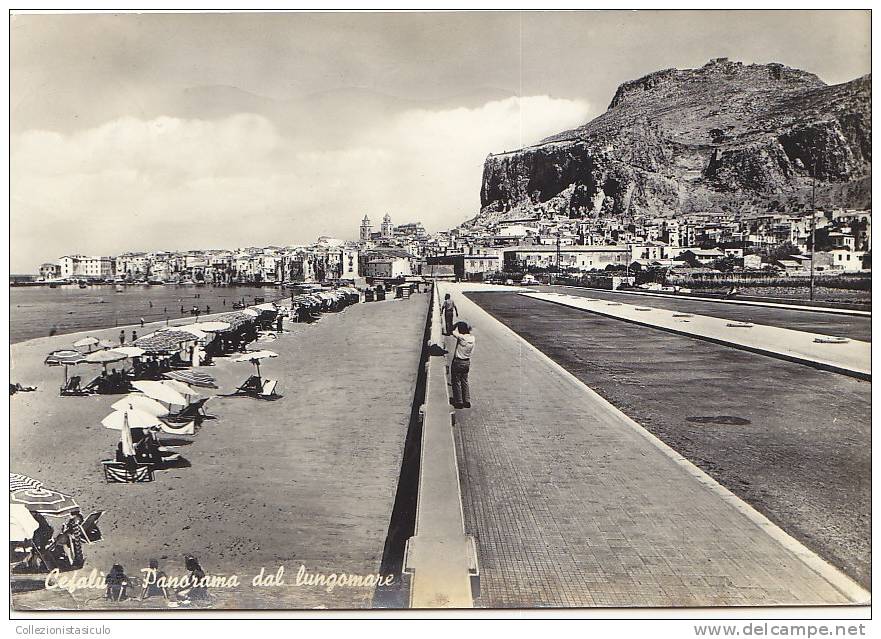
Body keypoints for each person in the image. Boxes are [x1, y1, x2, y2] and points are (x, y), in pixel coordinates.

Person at [450, 321, 475, 409]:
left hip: (458, 362)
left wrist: (456, 324)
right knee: (465, 381)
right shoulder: (472, 339)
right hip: (467, 362)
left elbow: (450, 330)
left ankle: (459, 402)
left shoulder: (461, 337)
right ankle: (467, 401)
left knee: (456, 382)